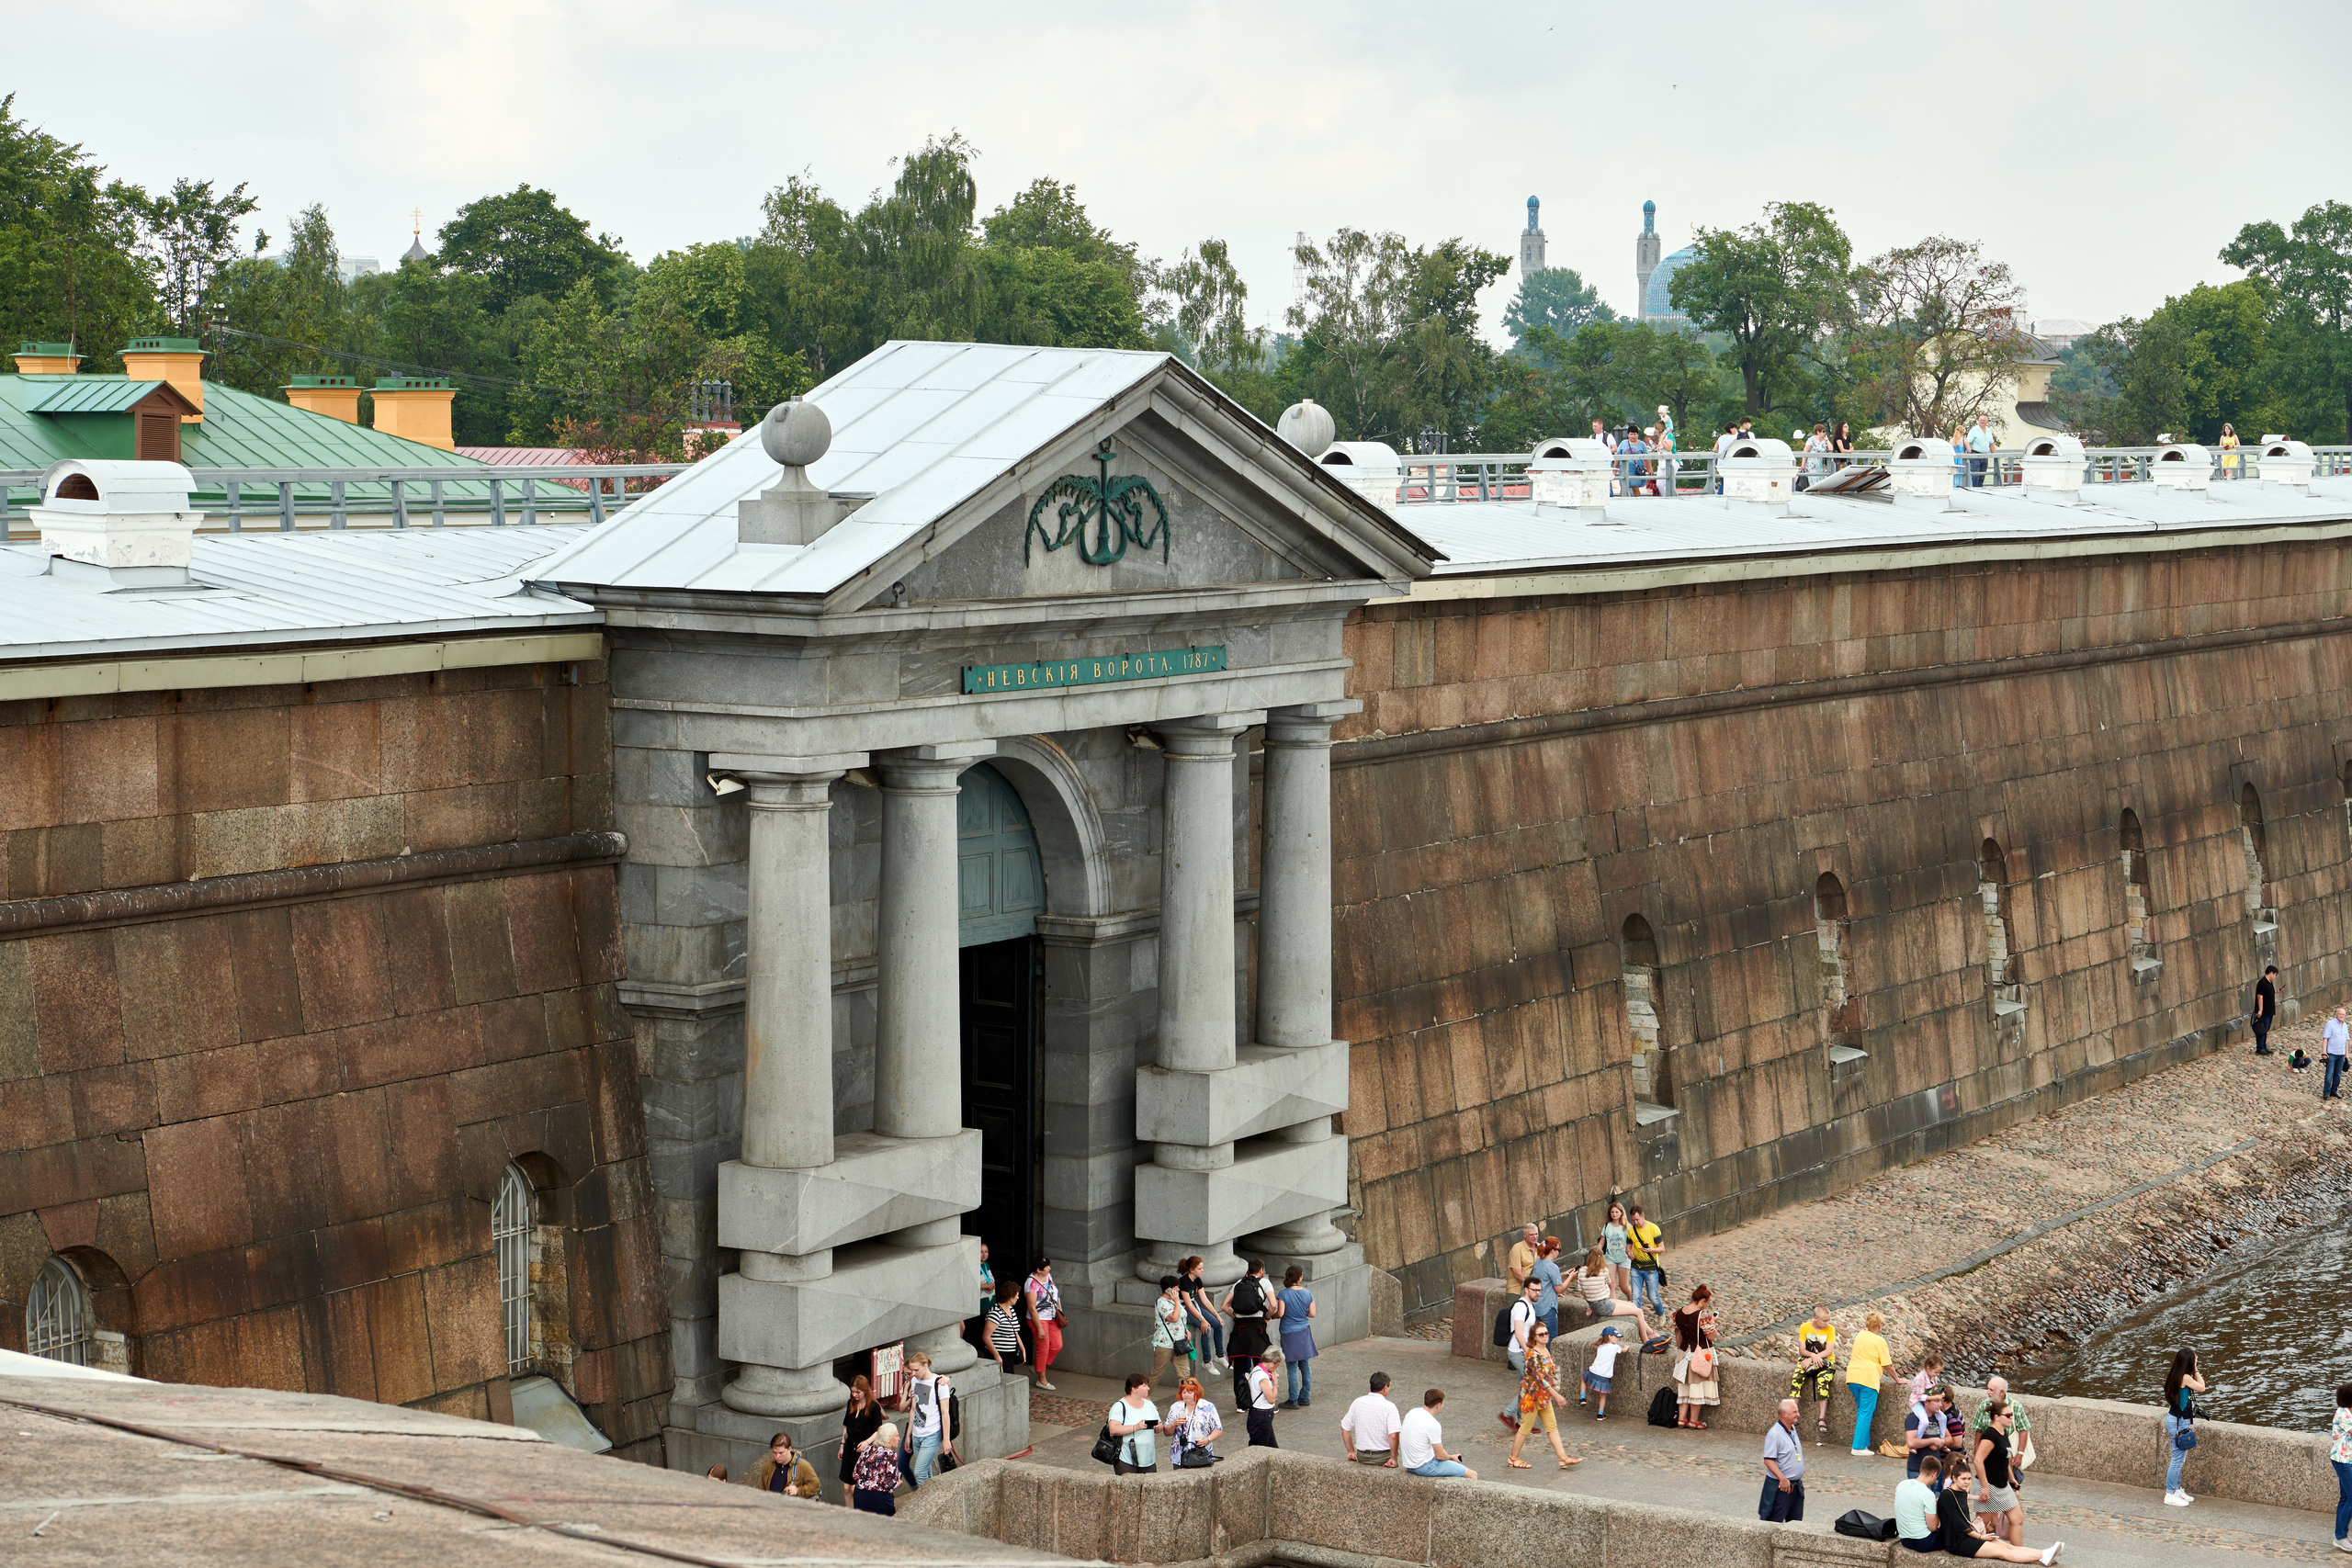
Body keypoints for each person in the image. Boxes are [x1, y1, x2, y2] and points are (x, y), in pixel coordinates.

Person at [1937, 1461, 2064, 1562]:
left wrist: (1978, 1497)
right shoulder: (1947, 1496)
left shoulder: (1960, 1492)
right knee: (2002, 1552)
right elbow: (1959, 1525)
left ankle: (2044, 1555)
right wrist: (1981, 1537)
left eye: (1969, 1479)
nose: (1967, 1482)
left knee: (2008, 1546)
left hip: (1968, 1536)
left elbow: (1964, 1497)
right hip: (1958, 1542)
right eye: (1963, 1479)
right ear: (1954, 1478)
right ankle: (2044, 1555)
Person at [1504, 1323, 1581, 1472]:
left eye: (1546, 1333)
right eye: (1541, 1334)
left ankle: (1563, 1458)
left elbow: (1549, 1374)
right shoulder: (1532, 1355)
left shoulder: (1545, 1350)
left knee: (1552, 1426)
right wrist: (1557, 1395)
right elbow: (1540, 1380)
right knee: (1525, 1428)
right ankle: (1513, 1458)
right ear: (1534, 1337)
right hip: (1532, 1397)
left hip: (1543, 1397)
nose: (1545, 1336)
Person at [1222, 1258, 1273, 1411]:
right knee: (1261, 1367)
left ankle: (1241, 1404)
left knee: (1239, 1369)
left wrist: (1236, 1317)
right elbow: (1274, 1304)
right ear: (1261, 1270)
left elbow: (1224, 1306)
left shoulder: (1239, 1283)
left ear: (1248, 1270)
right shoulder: (1264, 1283)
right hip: (1257, 1329)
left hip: (1240, 1330)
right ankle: (1262, 1401)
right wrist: (1267, 1317)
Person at [1973, 1401, 2026, 1546]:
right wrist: (1985, 1487)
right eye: (2008, 1415)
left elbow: (2004, 1458)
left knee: (2017, 1519)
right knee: (1981, 1524)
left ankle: (2018, 1553)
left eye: (2012, 1415)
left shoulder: (2003, 1433)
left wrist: (2012, 1477)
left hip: (2003, 1485)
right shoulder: (1990, 1434)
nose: (2011, 1418)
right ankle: (1970, 1547)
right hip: (1989, 1485)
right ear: (1996, 1417)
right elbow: (1978, 1460)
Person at [899, 1348, 955, 1484]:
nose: (913, 1373)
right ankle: (933, 1501)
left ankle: (925, 1503)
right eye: (911, 1370)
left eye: (916, 1370)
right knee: (926, 1471)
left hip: (932, 1434)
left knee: (919, 1472)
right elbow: (913, 1409)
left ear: (926, 1366)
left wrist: (946, 1440)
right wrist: (908, 1436)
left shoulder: (939, 1383)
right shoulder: (914, 1381)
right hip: (917, 1434)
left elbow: (945, 1413)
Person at [1967, 1375, 2033, 1486]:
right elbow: (1978, 1430)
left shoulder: (2015, 1406)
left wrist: (2020, 1454)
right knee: (1991, 1482)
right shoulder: (1983, 1405)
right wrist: (1977, 1451)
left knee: (2010, 1486)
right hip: (1988, 1454)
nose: (1988, 1392)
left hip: (2006, 1454)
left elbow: (2024, 1429)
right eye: (1987, 1388)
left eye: (1991, 1390)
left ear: (2001, 1392)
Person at [1571, 1246, 1651, 1337]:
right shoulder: (1603, 1270)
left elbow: (1583, 1293)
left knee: (1633, 1305)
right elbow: (1611, 1285)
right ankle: (1645, 1340)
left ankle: (1650, 1333)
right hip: (1604, 1305)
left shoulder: (1581, 1271)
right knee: (1639, 1312)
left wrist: (1592, 1305)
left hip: (1595, 1304)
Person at [1400, 1388, 1477, 1479]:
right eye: (1443, 1403)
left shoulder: (1412, 1412)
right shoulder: (1433, 1424)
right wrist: (1450, 1457)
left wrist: (1451, 1457)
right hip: (1423, 1466)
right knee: (1472, 1474)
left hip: (1409, 1464)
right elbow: (1440, 1456)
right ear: (1438, 1405)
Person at [1672, 1284, 1720, 1428]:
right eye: (1707, 1303)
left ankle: (1681, 1419)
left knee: (1685, 1388)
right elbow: (1711, 1336)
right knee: (1696, 1388)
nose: (1706, 1306)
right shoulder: (1702, 1316)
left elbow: (1678, 1336)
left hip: (1683, 1354)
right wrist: (1712, 1322)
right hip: (1698, 1355)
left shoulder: (1677, 1314)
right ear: (1702, 1300)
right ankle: (1694, 1420)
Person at [1498, 1275, 1542, 1431]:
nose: (1537, 1293)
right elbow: (1518, 1332)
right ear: (1526, 1289)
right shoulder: (1521, 1306)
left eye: (1539, 1290)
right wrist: (1529, 1352)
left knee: (1523, 1385)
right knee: (1530, 1386)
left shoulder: (1530, 1306)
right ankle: (1508, 1414)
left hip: (1523, 1351)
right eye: (1534, 1290)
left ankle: (1523, 1423)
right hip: (1518, 1352)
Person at [1846, 1310, 1893, 1457]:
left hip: (1852, 1376)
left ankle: (1863, 1445)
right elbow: (1887, 1365)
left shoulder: (1860, 1335)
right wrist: (1898, 1379)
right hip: (1868, 1379)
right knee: (1865, 1413)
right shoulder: (1880, 1341)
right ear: (1879, 1326)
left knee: (1862, 1412)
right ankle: (1858, 1447)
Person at [2163, 1348, 2205, 1505]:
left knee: (2179, 1458)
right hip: (2180, 1422)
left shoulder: (2175, 1374)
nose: (2197, 1358)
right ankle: (2170, 1493)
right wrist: (2196, 1369)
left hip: (2174, 1418)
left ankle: (2177, 1489)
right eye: (2195, 1357)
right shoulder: (2186, 1377)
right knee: (2177, 1460)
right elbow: (2202, 1387)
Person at [1791, 1305, 1839, 1445]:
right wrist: (1812, 1356)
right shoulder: (1805, 1327)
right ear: (1815, 1318)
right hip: (1808, 1359)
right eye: (1824, 1320)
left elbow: (1829, 1351)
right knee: (1797, 1378)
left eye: (1828, 1320)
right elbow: (1802, 1349)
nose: (1827, 1323)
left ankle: (1822, 1418)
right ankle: (1792, 1416)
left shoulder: (1830, 1329)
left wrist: (1814, 1358)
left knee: (1823, 1382)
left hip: (1825, 1361)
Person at [838, 1374, 883, 1506]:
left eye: (858, 1392)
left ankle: (859, 1513)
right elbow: (846, 1426)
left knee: (856, 1487)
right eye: (852, 1391)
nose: (854, 1395)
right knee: (846, 1487)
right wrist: (842, 1445)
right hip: (849, 1446)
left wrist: (867, 1442)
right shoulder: (851, 1403)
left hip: (864, 1449)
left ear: (865, 1391)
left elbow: (878, 1430)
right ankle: (849, 1512)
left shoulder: (873, 1407)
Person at [1274, 1265, 1317, 1408]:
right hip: (1304, 1331)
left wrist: (1272, 1316)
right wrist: (1301, 1314)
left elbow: (1280, 1313)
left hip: (1288, 1333)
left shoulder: (1283, 1294)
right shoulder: (1307, 1293)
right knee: (1305, 1364)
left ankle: (1293, 1399)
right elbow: (1312, 1313)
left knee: (1291, 1367)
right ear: (1300, 1278)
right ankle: (1305, 1396)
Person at [1342, 1371, 1403, 1466]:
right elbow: (1393, 1436)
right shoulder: (1389, 1407)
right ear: (1385, 1388)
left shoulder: (1358, 1402)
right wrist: (1394, 1458)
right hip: (1382, 1457)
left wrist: (1350, 1451)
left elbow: (1345, 1427)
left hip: (1362, 1455)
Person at [1761, 1398, 1806, 1523]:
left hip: (1795, 1487)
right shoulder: (1774, 1434)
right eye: (1795, 1412)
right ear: (1784, 1414)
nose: (1798, 1414)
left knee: (1796, 1525)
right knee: (1773, 1524)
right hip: (1781, 1487)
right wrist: (1783, 1479)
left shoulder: (1792, 1429)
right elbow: (1768, 1460)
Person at [1178, 1255, 1226, 1373]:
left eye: (1202, 1268)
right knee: (1207, 1329)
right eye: (1199, 1269)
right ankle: (1207, 1361)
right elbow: (1188, 1305)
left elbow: (1205, 1300)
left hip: (1194, 1307)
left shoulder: (1198, 1280)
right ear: (1191, 1270)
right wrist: (1202, 1319)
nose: (1202, 1271)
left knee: (1218, 1324)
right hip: (1183, 1309)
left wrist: (1217, 1315)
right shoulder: (1183, 1281)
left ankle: (1219, 1356)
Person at [1107, 1372, 1160, 1475]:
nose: (1148, 1388)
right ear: (1134, 1389)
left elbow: (1160, 1427)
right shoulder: (1120, 1406)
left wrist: (1158, 1427)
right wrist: (1135, 1427)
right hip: (1127, 1459)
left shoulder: (1150, 1405)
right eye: (1144, 1386)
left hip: (1149, 1459)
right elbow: (1113, 1429)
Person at [1163, 1376, 1223, 1467]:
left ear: (1197, 1392)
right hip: (1180, 1457)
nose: (1186, 1395)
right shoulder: (1176, 1407)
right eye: (1183, 1392)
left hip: (1201, 1455)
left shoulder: (1208, 1407)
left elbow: (1218, 1429)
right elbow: (1167, 1432)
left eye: (1190, 1392)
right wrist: (1174, 1424)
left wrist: (1208, 1439)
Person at [1024, 1256, 1063, 1390]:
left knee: (1057, 1345)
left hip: (1052, 1317)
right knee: (1043, 1348)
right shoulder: (1031, 1284)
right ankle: (1042, 1379)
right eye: (1047, 1267)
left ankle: (1040, 1368)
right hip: (1038, 1319)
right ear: (1038, 1270)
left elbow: (1054, 1293)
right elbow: (1032, 1308)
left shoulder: (1049, 1276)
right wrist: (1039, 1328)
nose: (1049, 1268)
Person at [1905, 1385, 1960, 1481]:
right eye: (1937, 1401)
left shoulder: (1938, 1418)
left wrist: (1940, 1442)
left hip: (1935, 1471)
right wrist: (1932, 1441)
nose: (1940, 1404)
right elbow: (1911, 1443)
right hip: (1918, 1470)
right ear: (1926, 1401)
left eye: (1941, 1401)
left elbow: (1949, 1439)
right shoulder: (1914, 1418)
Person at [849, 1421, 901, 1516]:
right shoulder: (890, 1454)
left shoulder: (867, 1449)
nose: (899, 1439)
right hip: (879, 1500)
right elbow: (889, 1484)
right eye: (896, 1436)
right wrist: (899, 1483)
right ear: (888, 1438)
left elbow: (855, 1474)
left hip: (860, 1496)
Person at [1150, 1273, 1192, 1391]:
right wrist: (1177, 1301)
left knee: (1184, 1374)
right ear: (1168, 1290)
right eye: (1176, 1288)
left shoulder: (1174, 1301)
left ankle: (1183, 1400)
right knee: (1157, 1373)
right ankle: (1145, 1397)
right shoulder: (1161, 1302)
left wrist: (1186, 1330)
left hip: (1180, 1343)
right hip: (1165, 1344)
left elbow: (1182, 1317)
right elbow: (1173, 1317)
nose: (1178, 1289)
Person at [751, 1430, 821, 1498]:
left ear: (789, 1448)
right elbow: (761, 1488)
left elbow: (815, 1486)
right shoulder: (769, 1465)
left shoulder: (802, 1465)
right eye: (774, 1452)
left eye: (781, 1453)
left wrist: (798, 1490)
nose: (777, 1456)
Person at [1625, 1204, 1665, 1315]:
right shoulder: (1631, 1230)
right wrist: (1629, 1253)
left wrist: (1651, 1250)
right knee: (1635, 1297)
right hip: (1636, 1268)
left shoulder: (1654, 1228)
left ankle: (1661, 1313)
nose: (1635, 1223)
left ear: (1643, 1216)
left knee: (1653, 1297)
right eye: (1633, 1220)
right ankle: (1639, 1320)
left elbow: (1662, 1248)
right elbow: (1628, 1247)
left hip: (1651, 1268)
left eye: (1637, 1219)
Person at [983, 1280, 1026, 1374]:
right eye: (1017, 1295)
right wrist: (996, 1355)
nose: (1018, 1298)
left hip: (1010, 1354)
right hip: (999, 1353)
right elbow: (986, 1336)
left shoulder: (1011, 1310)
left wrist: (1022, 1349)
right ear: (1011, 1297)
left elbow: (1015, 1332)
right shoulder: (995, 1313)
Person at [1245, 1344, 1282, 1447]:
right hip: (1261, 1416)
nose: (1275, 1369)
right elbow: (1271, 1399)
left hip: (1259, 1415)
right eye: (1276, 1365)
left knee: (1272, 1448)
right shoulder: (1262, 1376)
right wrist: (1275, 1383)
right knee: (1260, 1450)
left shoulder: (1256, 1370)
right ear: (1272, 1362)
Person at [2330, 1380, 2352, 1550]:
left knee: (2345, 1498)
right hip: (2343, 1460)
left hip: (2347, 1459)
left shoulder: (2349, 1412)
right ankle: (2341, 1536)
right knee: (2351, 1498)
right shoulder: (2344, 1414)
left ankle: (2340, 1536)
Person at [1585, 1324, 1623, 1420]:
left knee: (1583, 1378)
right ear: (1610, 1337)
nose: (1618, 1339)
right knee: (1602, 1396)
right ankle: (1600, 1414)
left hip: (1593, 1372)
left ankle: (1582, 1397)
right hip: (1605, 1376)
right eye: (1616, 1337)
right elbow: (1623, 1351)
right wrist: (1626, 1347)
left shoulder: (1600, 1346)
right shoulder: (1615, 1347)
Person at [1530, 1237, 1566, 1340]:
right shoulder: (1552, 1266)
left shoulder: (1538, 1262)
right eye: (1559, 1250)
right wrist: (1571, 1276)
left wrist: (1562, 1275)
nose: (1558, 1253)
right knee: (1551, 1338)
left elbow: (1544, 1280)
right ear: (1553, 1251)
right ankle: (1548, 1356)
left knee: (1537, 1338)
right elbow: (1559, 1289)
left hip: (1536, 1306)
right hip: (1547, 1308)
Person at [1600, 1201, 1633, 1300]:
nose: (1614, 1214)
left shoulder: (1627, 1226)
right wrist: (1597, 1252)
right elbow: (1601, 1242)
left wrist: (1631, 1253)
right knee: (1611, 1285)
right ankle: (1613, 1306)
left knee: (1624, 1286)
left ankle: (1633, 1300)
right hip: (1610, 1258)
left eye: (1616, 1212)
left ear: (1621, 1213)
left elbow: (1632, 1242)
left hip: (1624, 1258)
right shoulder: (1607, 1226)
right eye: (1612, 1212)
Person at [1505, 1221, 1541, 1292]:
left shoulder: (1541, 1247)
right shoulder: (1516, 1249)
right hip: (1517, 1289)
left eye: (1536, 1234)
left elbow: (1545, 1270)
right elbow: (1517, 1274)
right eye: (1531, 1235)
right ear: (1524, 1235)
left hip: (1535, 1288)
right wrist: (1533, 1287)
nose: (1535, 1237)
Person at [2254, 964, 2278, 1054]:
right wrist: (2260, 1010)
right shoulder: (2262, 983)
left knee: (2266, 1029)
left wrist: (2276, 991)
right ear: (2271, 973)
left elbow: (2269, 993)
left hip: (2270, 1010)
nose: (2275, 977)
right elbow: (2260, 997)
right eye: (2275, 975)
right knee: (2262, 1029)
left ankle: (2264, 1045)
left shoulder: (2269, 983)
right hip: (2264, 1011)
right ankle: (2260, 1048)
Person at [2326, 1006, 2348, 1100]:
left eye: (2343, 1014)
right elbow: (2325, 1039)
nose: (2341, 1016)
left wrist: (2347, 1054)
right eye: (2340, 1014)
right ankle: (2326, 1092)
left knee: (2338, 1074)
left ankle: (2334, 1091)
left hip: (2341, 1053)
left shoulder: (2345, 1025)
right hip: (2331, 1053)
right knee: (2329, 1074)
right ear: (2336, 1014)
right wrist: (2324, 1052)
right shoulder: (2330, 1024)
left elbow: (2346, 1040)